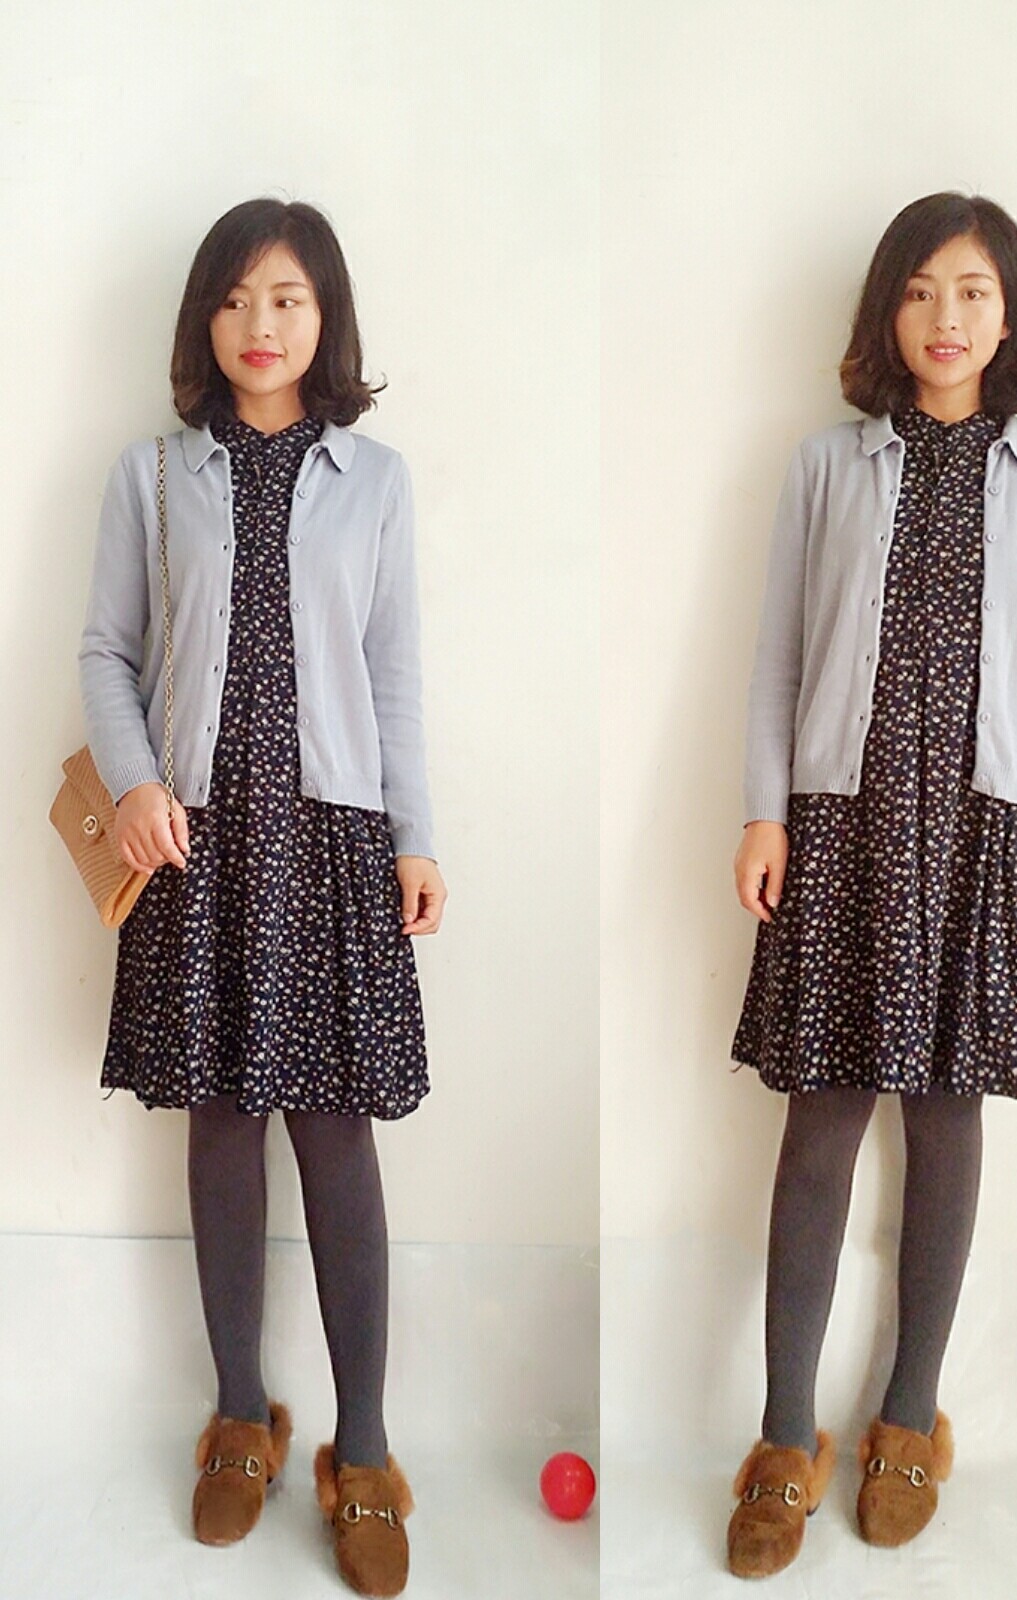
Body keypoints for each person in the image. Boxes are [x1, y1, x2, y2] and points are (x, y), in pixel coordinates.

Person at [78, 197, 445, 1599]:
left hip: (335, 844)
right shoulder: (151, 474)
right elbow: (106, 650)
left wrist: (415, 836)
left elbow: (395, 670)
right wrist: (131, 781)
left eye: (286, 297)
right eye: (234, 299)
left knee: (337, 1138)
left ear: (324, 316)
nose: (259, 324)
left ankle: (367, 1451)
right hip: (197, 840)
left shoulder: (377, 479)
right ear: (204, 321)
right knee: (222, 1129)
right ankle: (241, 1417)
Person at [724, 192, 1017, 1579]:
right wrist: (764, 812)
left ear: (1010, 314)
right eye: (923, 289)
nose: (948, 316)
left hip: (987, 827)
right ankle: (783, 1436)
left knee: (946, 1116)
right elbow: (774, 653)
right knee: (822, 1118)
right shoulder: (828, 463)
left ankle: (908, 1417)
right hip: (843, 818)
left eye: (975, 291)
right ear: (889, 309)